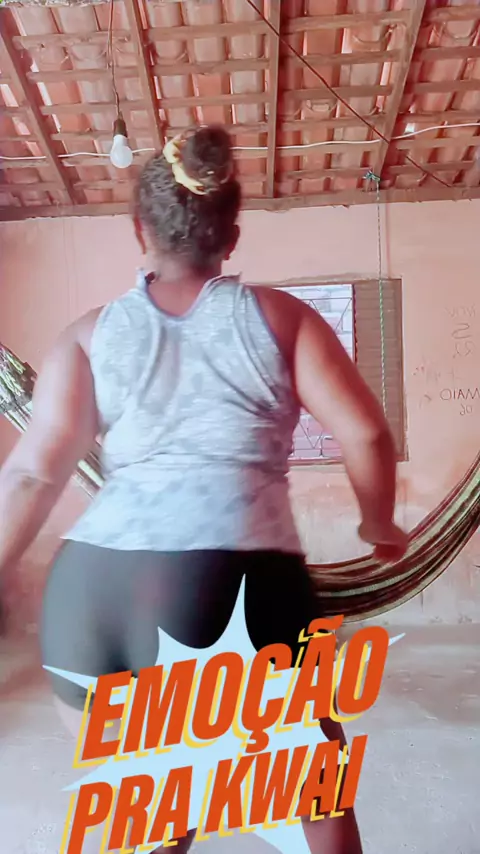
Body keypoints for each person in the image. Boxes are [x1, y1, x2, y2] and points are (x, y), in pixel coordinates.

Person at [0, 126, 407, 853]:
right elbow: (368, 436)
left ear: (139, 230)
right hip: (234, 581)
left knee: (154, 808)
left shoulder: (90, 334)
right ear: (231, 235)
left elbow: (32, 473)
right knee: (316, 795)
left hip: (92, 595)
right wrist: (377, 524)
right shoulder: (283, 319)